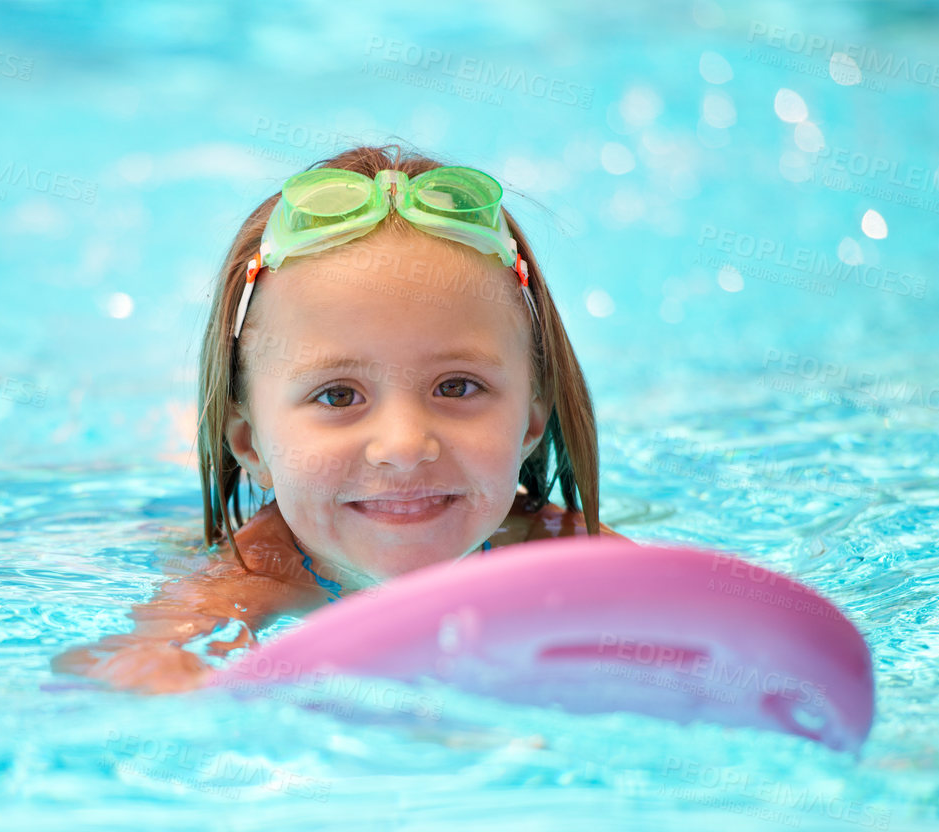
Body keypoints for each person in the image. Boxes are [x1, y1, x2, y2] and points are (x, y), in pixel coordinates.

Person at [53, 143, 620, 694]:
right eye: (338, 396)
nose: (402, 444)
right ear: (250, 445)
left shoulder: (558, 550)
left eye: (456, 386)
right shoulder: (261, 571)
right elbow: (132, 670)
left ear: (529, 423)